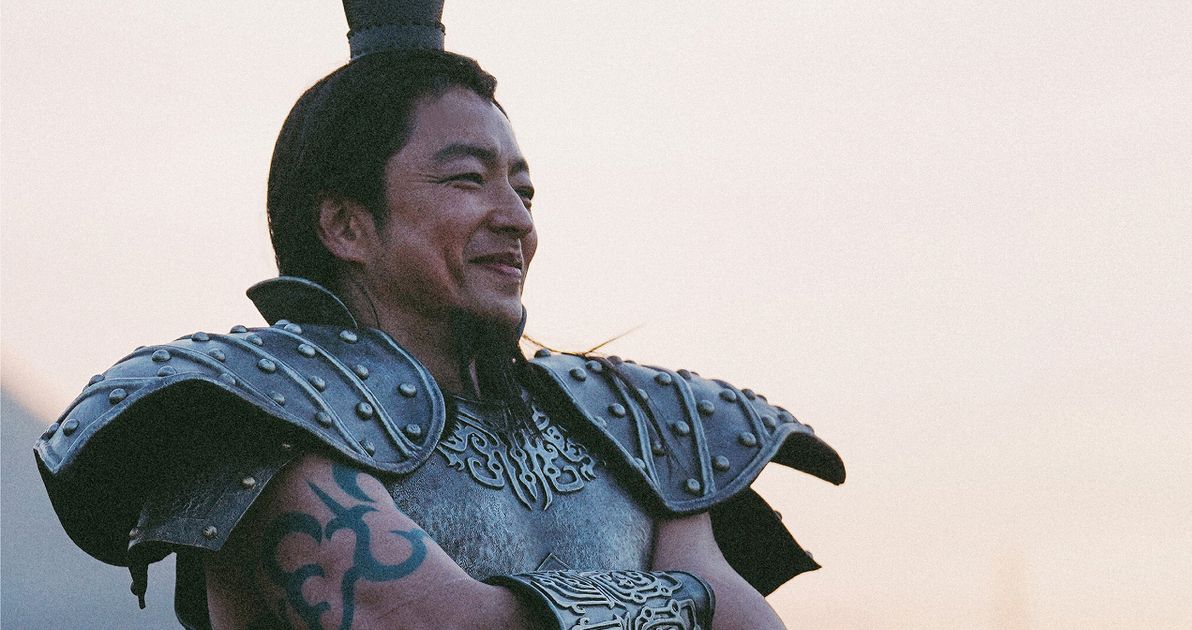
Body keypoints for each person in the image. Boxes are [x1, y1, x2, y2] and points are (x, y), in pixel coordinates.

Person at [36, 2, 844, 628]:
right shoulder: (261, 416)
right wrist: (686, 600)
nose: (515, 218)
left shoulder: (632, 427)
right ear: (345, 225)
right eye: (467, 180)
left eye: (523, 190)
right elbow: (433, 623)